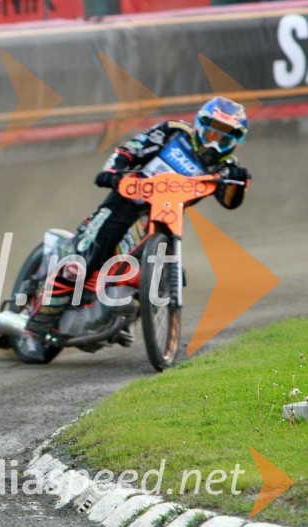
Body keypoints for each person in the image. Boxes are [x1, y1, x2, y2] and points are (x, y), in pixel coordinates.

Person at [22, 96, 251, 359]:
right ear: (200, 125)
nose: (213, 141)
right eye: (211, 131)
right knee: (81, 261)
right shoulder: (175, 132)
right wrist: (114, 170)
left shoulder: (226, 168)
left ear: (235, 141)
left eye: (224, 137)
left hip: (164, 217)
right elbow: (132, 148)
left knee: (154, 274)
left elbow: (230, 201)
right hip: (127, 201)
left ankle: (121, 315)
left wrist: (237, 183)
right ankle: (34, 329)